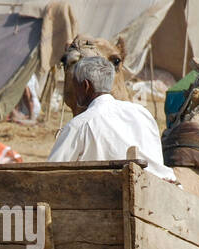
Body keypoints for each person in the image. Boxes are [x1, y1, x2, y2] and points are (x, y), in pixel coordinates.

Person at [48, 55, 176, 181]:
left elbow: (49, 171)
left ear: (85, 86)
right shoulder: (142, 113)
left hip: (109, 195)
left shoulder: (80, 125)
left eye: (75, 85)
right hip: (156, 189)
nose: (74, 92)